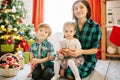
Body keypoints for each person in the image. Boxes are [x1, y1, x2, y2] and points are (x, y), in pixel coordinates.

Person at [64, 0, 102, 80]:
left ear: (87, 9)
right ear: (73, 11)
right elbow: (65, 41)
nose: (78, 10)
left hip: (88, 59)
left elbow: (95, 49)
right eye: (75, 8)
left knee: (75, 74)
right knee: (64, 72)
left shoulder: (95, 27)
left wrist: (81, 51)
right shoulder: (70, 25)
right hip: (71, 57)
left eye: (81, 7)